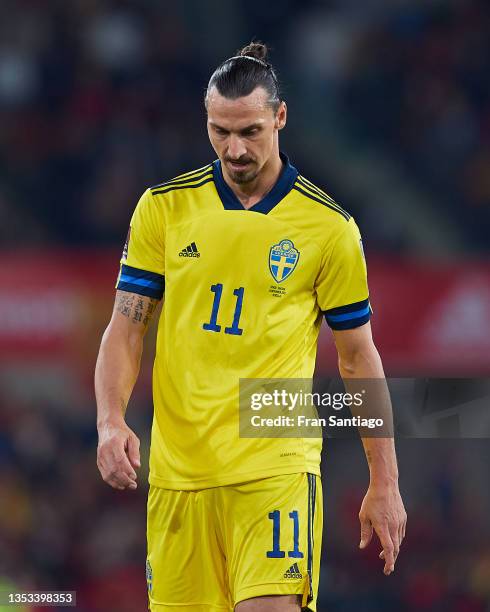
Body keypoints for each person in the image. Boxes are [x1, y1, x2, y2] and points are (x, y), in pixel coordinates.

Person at [95, 42, 407, 612]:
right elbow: (125, 328)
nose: (234, 149)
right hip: (178, 476)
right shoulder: (164, 208)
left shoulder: (328, 228)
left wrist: (383, 480)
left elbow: (359, 358)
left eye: (251, 132)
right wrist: (110, 421)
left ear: (281, 118)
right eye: (220, 132)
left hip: (274, 467)